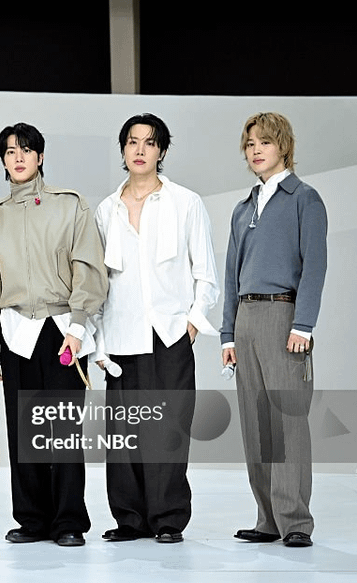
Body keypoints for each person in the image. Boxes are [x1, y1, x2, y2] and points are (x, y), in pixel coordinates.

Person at [90, 114, 220, 544]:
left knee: (168, 430)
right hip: (120, 336)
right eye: (132, 142)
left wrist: (192, 324)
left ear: (161, 150)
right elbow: (99, 282)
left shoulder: (186, 202)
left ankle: (167, 519)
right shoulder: (107, 210)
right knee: (123, 433)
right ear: (123, 149)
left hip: (169, 334)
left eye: (149, 142)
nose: (140, 150)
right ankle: (129, 519)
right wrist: (99, 342)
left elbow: (206, 273)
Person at [0, 123, 108, 547]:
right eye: (10, 151)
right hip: (15, 331)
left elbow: (88, 266)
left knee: (64, 428)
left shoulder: (70, 206)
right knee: (23, 429)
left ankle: (68, 521)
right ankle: (31, 519)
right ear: (3, 160)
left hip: (62, 329)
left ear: (40, 157)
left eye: (26, 150)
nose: (18, 158)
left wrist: (78, 325)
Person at [221, 112, 327, 548]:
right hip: (246, 319)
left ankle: (295, 521)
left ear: (283, 145)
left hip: (284, 317)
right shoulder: (243, 207)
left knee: (287, 422)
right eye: (250, 144)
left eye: (264, 142)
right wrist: (227, 334)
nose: (256, 150)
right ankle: (267, 519)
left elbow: (315, 265)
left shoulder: (305, 199)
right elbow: (232, 274)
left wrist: (304, 324)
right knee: (256, 424)